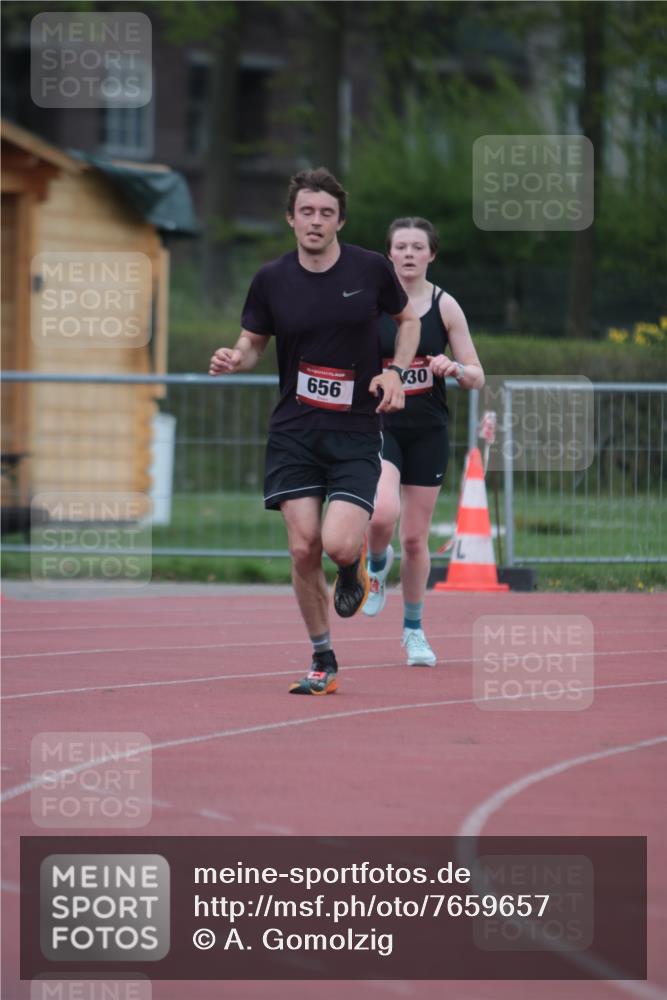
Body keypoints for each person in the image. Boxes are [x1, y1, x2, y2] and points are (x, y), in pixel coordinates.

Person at [209, 169, 420, 695]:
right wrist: (237, 357)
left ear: (339, 221)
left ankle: (352, 568)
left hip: (352, 430)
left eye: (326, 213)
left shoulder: (371, 269)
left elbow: (409, 320)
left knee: (337, 542)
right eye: (307, 211)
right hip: (295, 430)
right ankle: (322, 659)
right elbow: (254, 339)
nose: (316, 221)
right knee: (303, 548)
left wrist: (394, 370)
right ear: (291, 218)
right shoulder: (272, 279)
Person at [363, 217, 484, 666]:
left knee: (415, 541)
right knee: (380, 513)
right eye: (401, 246)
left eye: (418, 247)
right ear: (389, 253)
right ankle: (376, 565)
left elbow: (477, 374)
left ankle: (413, 631)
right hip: (380, 424)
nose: (409, 253)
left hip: (427, 430)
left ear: (432, 254)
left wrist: (455, 368)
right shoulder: (371, 303)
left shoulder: (444, 305)